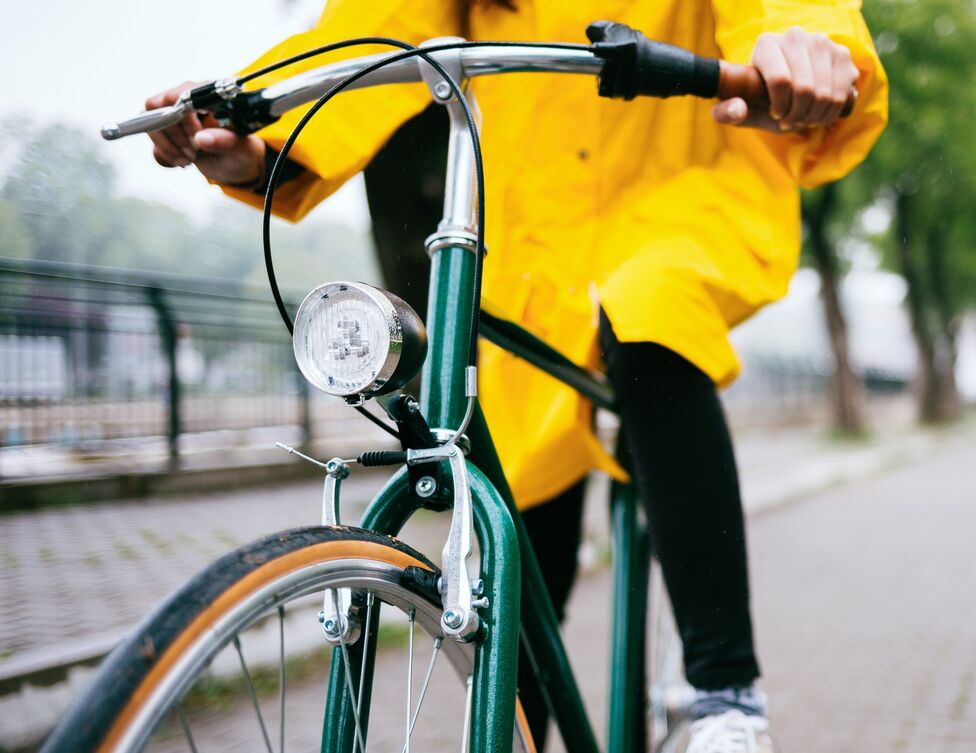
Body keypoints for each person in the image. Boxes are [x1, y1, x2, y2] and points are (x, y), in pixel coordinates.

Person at [144, 2, 888, 751]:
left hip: (683, 192)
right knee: (520, 504)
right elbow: (367, 26)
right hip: (534, 243)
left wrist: (809, 52)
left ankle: (727, 696)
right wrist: (255, 131)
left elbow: (793, 11)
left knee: (654, 314)